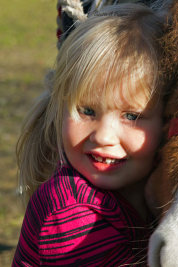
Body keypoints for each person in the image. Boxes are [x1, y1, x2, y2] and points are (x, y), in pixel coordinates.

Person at [13, 3, 164, 266]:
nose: (104, 136)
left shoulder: (140, 192)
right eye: (87, 111)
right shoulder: (71, 211)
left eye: (131, 116)